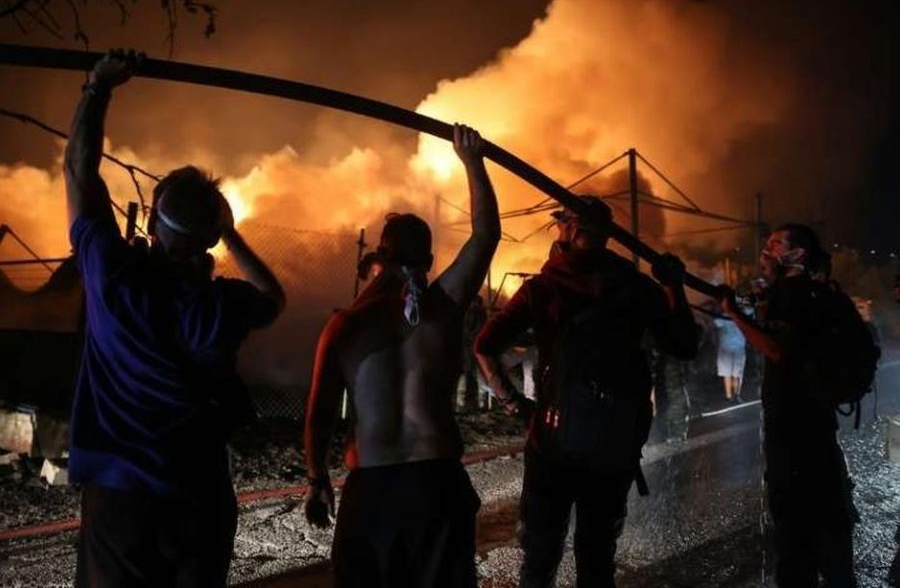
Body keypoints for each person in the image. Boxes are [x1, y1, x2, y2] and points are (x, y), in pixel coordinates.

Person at [66, 50, 285, 587]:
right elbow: (272, 296)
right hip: (197, 497)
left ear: (155, 213)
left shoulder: (112, 277)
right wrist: (232, 232)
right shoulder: (219, 307)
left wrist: (99, 87)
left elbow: (78, 167)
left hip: (119, 497)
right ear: (210, 237)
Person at [303, 124, 500, 587]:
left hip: (373, 489)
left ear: (380, 254)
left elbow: (319, 416)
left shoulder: (345, 324)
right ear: (430, 261)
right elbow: (486, 234)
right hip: (435, 484)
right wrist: (472, 161)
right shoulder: (444, 307)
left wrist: (317, 479)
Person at [474, 197, 698, 588]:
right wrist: (673, 287)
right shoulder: (636, 287)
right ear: (607, 234)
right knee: (596, 561)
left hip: (551, 441)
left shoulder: (542, 289)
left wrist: (517, 407)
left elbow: (484, 346)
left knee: (539, 561)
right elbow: (684, 344)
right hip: (615, 446)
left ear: (566, 228)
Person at [720, 223, 858, 587]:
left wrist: (734, 314)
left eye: (775, 244)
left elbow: (775, 348)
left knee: (795, 534)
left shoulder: (791, 293)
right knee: (829, 522)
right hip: (819, 424)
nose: (766, 251)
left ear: (796, 255)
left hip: (792, 430)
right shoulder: (819, 294)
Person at [713, 305, 747, 403]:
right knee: (732, 373)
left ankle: (732, 396)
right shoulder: (739, 315)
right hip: (729, 348)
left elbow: (716, 323)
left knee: (732, 373)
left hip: (732, 347)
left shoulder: (726, 316)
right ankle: (733, 396)